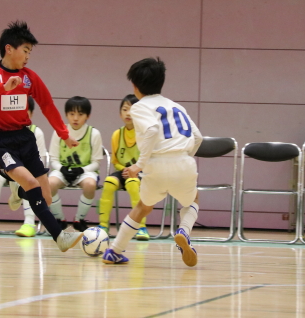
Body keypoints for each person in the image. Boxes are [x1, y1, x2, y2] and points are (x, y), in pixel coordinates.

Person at [0, 20, 82, 252]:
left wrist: (64, 134)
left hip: (25, 139)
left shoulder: (29, 77)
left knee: (45, 197)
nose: (28, 56)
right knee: (31, 183)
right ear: (9, 48)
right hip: (0, 143)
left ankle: (19, 191)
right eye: (25, 50)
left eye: (30, 52)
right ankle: (60, 236)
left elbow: (47, 105)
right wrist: (2, 87)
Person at [102, 57, 202, 267]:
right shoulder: (177, 106)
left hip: (156, 165)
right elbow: (198, 137)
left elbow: (152, 129)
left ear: (135, 86)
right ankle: (184, 230)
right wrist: (184, 157)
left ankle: (115, 251)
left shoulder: (139, 107)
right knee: (192, 200)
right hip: (184, 162)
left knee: (143, 207)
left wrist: (139, 164)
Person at [0, 96, 43, 237]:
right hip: (6, 169)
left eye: (25, 110)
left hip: (28, 171)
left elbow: (41, 158)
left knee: (29, 182)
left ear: (31, 113)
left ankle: (29, 223)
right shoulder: (3, 130)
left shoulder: (36, 132)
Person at [98, 94, 149, 240]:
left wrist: (135, 169)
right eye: (125, 109)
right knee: (109, 182)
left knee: (133, 184)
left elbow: (148, 159)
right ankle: (103, 226)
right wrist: (125, 169)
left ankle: (141, 227)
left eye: (132, 109)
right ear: (120, 113)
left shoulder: (145, 134)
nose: (128, 113)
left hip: (141, 172)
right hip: (122, 171)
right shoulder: (116, 135)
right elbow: (115, 161)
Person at [48, 96, 103, 232]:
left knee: (90, 185)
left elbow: (96, 162)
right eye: (72, 114)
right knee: (49, 183)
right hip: (63, 170)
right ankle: (60, 219)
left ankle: (79, 219)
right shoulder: (58, 132)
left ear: (88, 116)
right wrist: (62, 169)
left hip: (85, 172)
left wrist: (82, 170)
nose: (76, 118)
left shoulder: (94, 134)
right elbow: (53, 159)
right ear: (66, 115)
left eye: (80, 114)